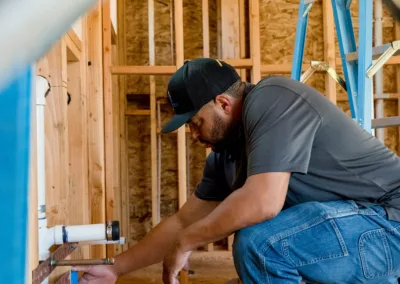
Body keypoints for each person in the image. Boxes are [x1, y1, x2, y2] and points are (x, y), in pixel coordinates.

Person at [75, 58, 400, 284]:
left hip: (389, 223)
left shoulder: (273, 97)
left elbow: (263, 202)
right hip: (360, 232)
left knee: (261, 245)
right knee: (255, 268)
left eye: (194, 123)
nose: (193, 135)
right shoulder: (225, 156)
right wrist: (115, 268)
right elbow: (184, 221)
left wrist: (186, 242)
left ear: (223, 104)